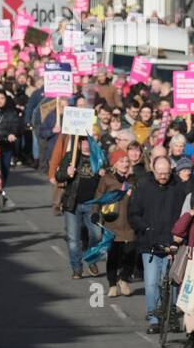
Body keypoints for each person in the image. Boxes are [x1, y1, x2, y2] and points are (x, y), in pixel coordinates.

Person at [128, 156, 180, 334]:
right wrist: (146, 228)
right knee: (151, 284)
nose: (163, 177)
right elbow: (133, 213)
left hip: (172, 243)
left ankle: (172, 316)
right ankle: (154, 318)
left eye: (166, 173)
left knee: (172, 283)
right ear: (153, 169)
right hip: (149, 244)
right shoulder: (142, 185)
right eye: (160, 173)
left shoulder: (177, 186)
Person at [55, 137, 103, 280]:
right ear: (79, 143)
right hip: (73, 204)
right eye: (83, 142)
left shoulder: (99, 157)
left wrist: (103, 174)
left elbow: (108, 178)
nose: (86, 145)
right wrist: (66, 173)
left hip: (92, 204)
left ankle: (91, 259)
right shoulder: (71, 156)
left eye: (89, 142)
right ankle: (76, 268)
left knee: (97, 235)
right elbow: (58, 176)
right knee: (73, 239)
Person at [95, 149, 138, 297]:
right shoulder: (107, 179)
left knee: (130, 254)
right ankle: (112, 284)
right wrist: (95, 212)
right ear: (114, 163)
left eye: (127, 161)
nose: (125, 164)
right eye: (121, 161)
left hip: (130, 223)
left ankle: (124, 279)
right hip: (112, 224)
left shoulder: (133, 179)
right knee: (113, 255)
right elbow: (98, 197)